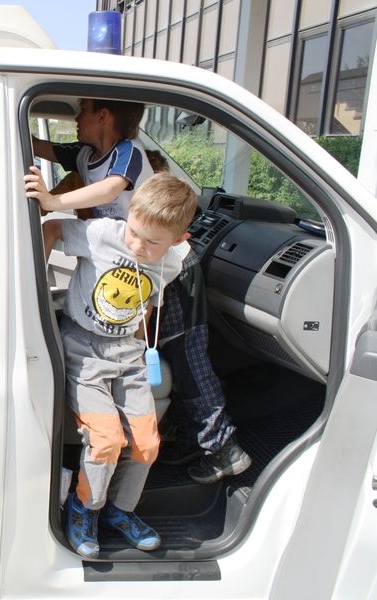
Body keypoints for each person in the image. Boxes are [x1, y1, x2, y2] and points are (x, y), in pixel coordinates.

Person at [33, 172, 198, 559]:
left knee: (146, 443)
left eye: (153, 242)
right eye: (135, 232)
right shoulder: (104, 233)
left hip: (129, 354)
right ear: (129, 214)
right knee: (106, 440)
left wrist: (141, 346)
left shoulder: (171, 264)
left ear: (178, 241)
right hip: (83, 349)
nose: (138, 245)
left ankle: (119, 511)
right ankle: (83, 507)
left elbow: (148, 303)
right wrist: (33, 282)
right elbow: (54, 227)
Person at [142, 153, 251, 484]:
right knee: (187, 373)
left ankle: (224, 449)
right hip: (175, 295)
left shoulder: (168, 241)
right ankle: (193, 440)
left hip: (181, 301)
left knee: (193, 373)